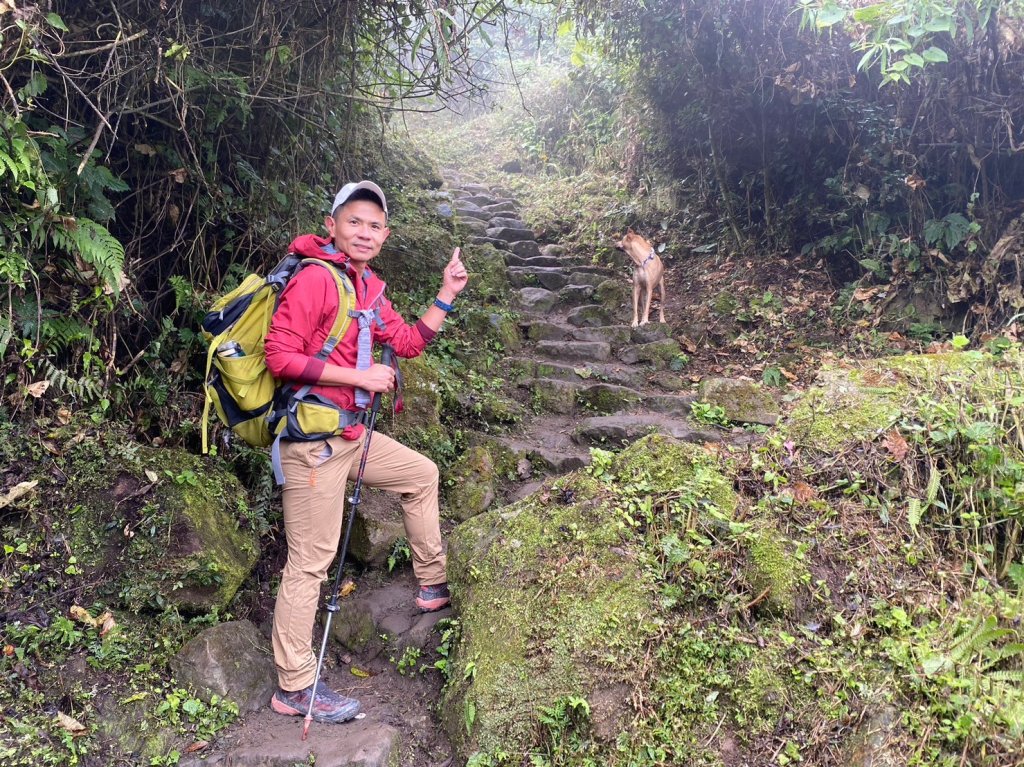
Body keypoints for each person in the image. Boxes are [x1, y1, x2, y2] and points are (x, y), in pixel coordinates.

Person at [263, 180, 468, 723]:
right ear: (331, 225)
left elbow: (408, 342)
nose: (365, 232)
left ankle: (432, 583)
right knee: (310, 562)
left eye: (375, 226)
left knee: (420, 474)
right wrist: (359, 376)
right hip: (314, 445)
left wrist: (446, 293)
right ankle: (294, 686)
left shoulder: (368, 288)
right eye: (354, 221)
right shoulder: (315, 279)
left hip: (352, 438)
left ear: (386, 235)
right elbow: (279, 357)